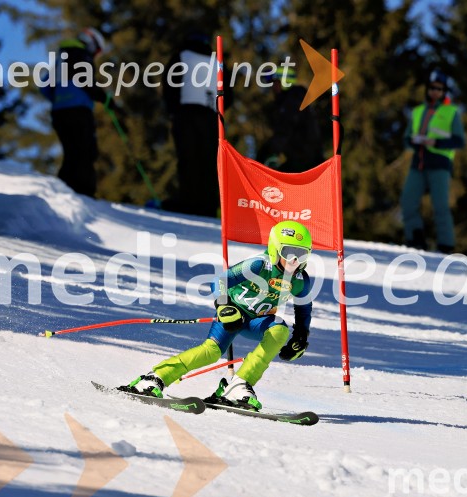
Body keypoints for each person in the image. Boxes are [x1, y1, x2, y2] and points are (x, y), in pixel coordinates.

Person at [122, 220, 314, 411]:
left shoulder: (301, 280)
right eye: (289, 253)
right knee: (211, 352)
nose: (294, 261)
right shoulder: (258, 265)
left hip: (256, 322)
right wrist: (224, 306)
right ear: (275, 249)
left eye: (301, 254)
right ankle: (154, 378)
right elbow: (220, 281)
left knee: (280, 329)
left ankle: (239, 386)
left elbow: (303, 308)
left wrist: (301, 336)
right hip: (232, 315)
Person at [162, 31, 233, 216]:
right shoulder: (217, 62)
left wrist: (172, 110)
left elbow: (169, 84)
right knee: (208, 162)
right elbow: (229, 94)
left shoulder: (181, 56)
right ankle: (208, 206)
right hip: (210, 116)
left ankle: (188, 202)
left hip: (185, 113)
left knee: (187, 159)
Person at [400, 69, 465, 253]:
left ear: (444, 91)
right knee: (408, 202)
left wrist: (436, 142)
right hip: (418, 162)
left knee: (441, 206)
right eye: (432, 88)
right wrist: (413, 140)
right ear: (427, 89)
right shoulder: (418, 111)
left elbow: (459, 140)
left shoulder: (451, 112)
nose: (435, 92)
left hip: (439, 164)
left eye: (439, 88)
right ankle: (415, 238)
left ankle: (446, 245)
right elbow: (406, 138)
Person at [40, 27, 109, 197]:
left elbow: (44, 86)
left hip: (59, 112)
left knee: (71, 153)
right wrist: (103, 97)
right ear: (92, 42)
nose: (96, 55)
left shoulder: (61, 57)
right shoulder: (81, 54)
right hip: (79, 110)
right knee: (86, 151)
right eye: (97, 50)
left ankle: (64, 191)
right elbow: (85, 80)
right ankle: (84, 194)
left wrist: (59, 99)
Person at [256, 67, 323, 172]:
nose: (273, 87)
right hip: (301, 158)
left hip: (305, 159)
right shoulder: (288, 102)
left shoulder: (293, 100)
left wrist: (269, 152)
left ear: (284, 82)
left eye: (275, 82)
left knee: (274, 180)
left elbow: (285, 129)